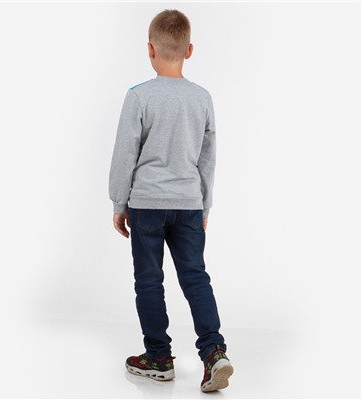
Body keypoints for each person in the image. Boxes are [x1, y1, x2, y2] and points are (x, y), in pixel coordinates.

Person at [108, 8, 234, 392]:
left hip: (147, 204)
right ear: (189, 50)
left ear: (150, 49)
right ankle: (214, 352)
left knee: (149, 281)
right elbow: (208, 158)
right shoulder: (202, 98)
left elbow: (125, 154)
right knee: (195, 277)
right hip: (189, 203)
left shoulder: (139, 97)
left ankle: (159, 358)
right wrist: (205, 205)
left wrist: (118, 203)